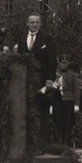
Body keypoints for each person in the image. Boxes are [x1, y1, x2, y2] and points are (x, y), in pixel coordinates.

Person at [19, 12, 57, 145]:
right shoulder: (22, 38)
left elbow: (52, 61)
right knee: (26, 110)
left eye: (37, 22)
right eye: (32, 22)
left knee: (42, 112)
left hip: (42, 80)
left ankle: (43, 143)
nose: (34, 25)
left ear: (40, 24)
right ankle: (27, 142)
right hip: (25, 80)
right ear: (27, 23)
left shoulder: (47, 38)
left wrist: (49, 81)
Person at [51, 54, 81, 146]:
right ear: (59, 63)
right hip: (57, 99)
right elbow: (51, 89)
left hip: (69, 99)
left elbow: (76, 90)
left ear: (68, 64)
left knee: (68, 122)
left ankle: (66, 142)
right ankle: (59, 141)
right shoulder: (54, 74)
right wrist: (51, 104)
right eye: (62, 63)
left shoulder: (72, 74)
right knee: (58, 120)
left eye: (65, 63)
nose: (64, 65)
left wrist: (76, 104)